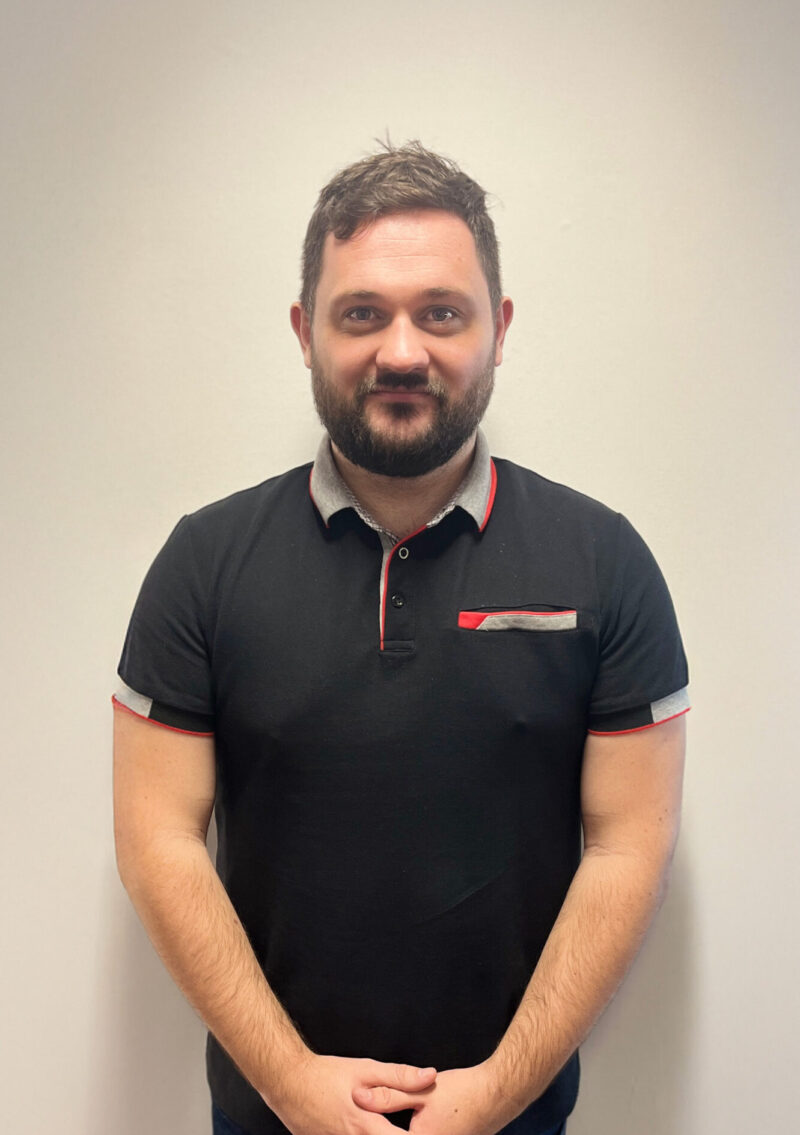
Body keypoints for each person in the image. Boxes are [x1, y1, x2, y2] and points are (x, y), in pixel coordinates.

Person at [113, 141, 689, 1135]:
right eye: (360, 313)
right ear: (304, 331)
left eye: (441, 312)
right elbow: (157, 838)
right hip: (268, 1116)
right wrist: (293, 1085)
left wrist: (494, 1093)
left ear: (497, 328)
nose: (401, 350)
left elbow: (628, 845)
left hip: (510, 1116)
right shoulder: (201, 563)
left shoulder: (604, 562)